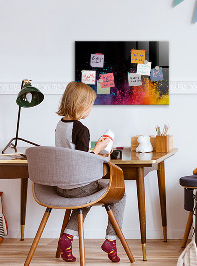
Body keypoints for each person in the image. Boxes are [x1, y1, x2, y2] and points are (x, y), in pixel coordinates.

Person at [55, 81, 125, 263]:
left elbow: (72, 154)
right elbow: (82, 161)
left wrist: (94, 149)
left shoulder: (60, 125)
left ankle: (67, 238)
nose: (91, 109)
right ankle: (111, 240)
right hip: (78, 186)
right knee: (120, 194)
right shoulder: (81, 129)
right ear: (81, 105)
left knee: (86, 198)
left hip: (61, 186)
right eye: (90, 105)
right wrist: (99, 149)